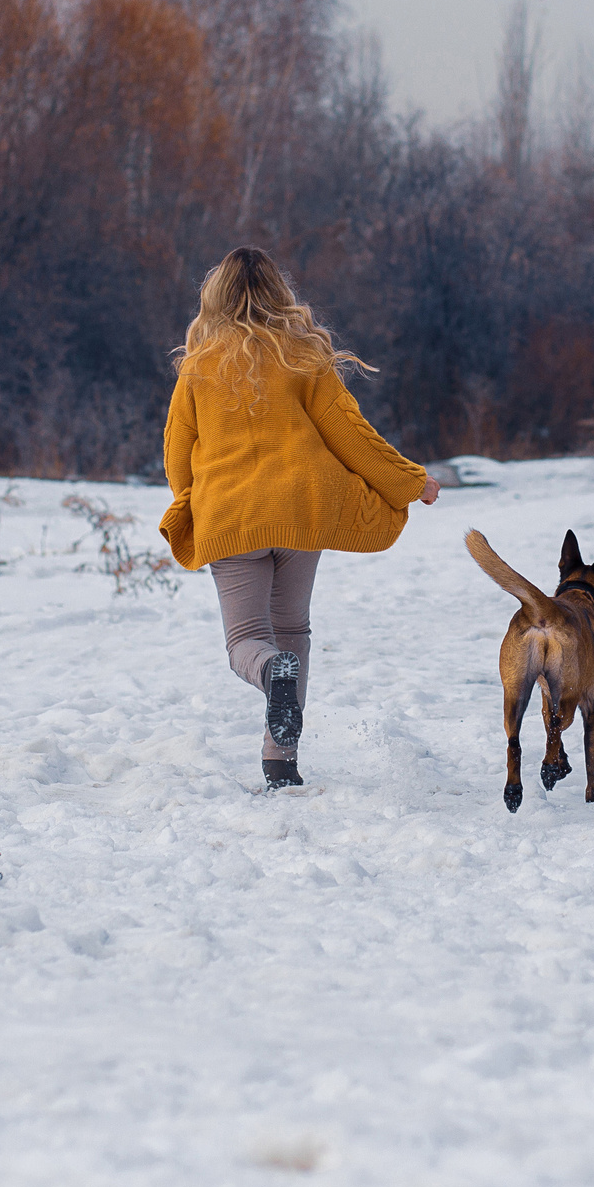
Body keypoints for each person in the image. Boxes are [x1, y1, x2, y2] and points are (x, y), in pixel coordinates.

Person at [160, 247, 441, 789]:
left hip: (233, 517)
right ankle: (280, 762)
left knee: (248, 642)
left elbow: (177, 454)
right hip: (300, 512)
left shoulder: (197, 367)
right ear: (278, 293)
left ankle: (271, 676)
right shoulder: (303, 355)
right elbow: (351, 435)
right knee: (292, 630)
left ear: (215, 297)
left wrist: (197, 502)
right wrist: (412, 482)